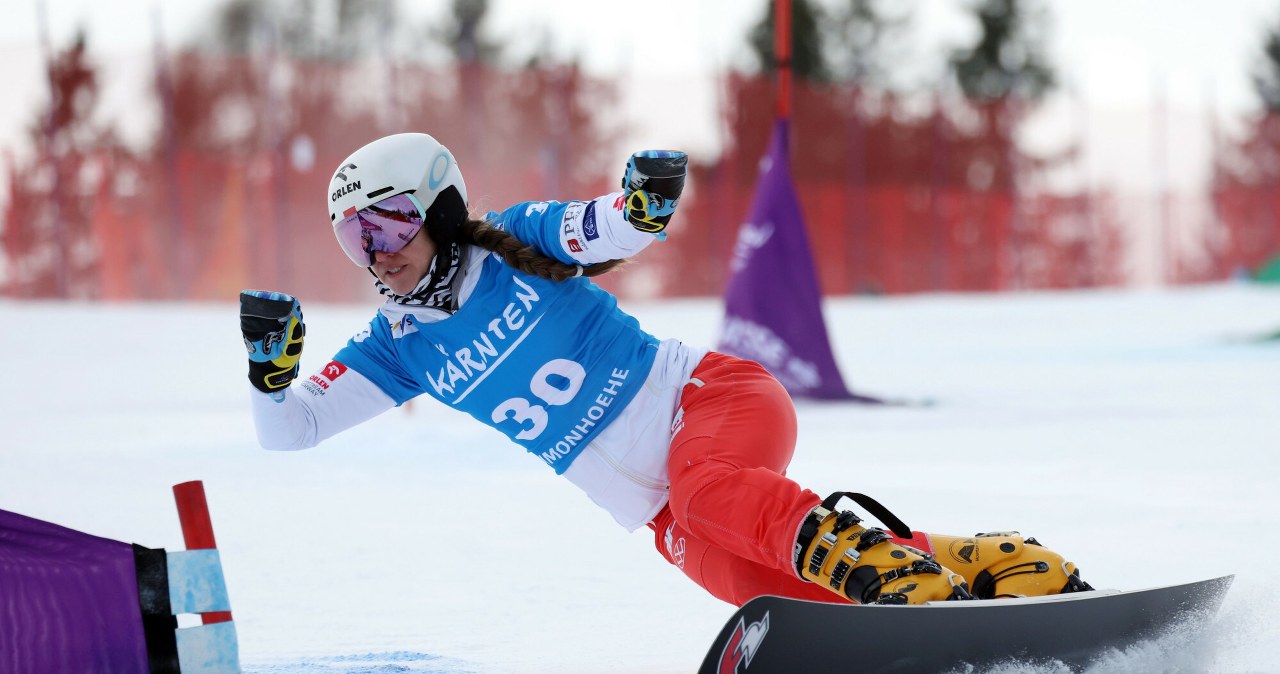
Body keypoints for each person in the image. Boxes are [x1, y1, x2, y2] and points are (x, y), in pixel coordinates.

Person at [240, 132, 1093, 607]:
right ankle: (986, 563)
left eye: (385, 227)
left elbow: (608, 228)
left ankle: (901, 581)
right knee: (748, 581)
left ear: (444, 210)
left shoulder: (517, 239)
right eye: (355, 239)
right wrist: (268, 372)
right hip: (657, 508)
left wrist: (642, 204)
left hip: (713, 402)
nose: (374, 254)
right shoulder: (398, 346)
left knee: (712, 493)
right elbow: (290, 432)